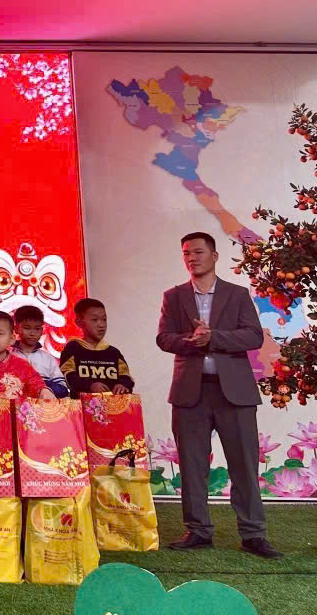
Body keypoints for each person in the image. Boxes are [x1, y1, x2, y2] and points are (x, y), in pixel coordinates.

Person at [158, 232, 281, 559]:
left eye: (198, 252)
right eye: (186, 253)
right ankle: (198, 530)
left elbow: (253, 336)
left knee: (244, 465)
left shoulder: (237, 294)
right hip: (190, 392)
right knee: (192, 465)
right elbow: (164, 338)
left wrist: (214, 338)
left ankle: (253, 534)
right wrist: (190, 341)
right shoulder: (174, 296)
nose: (191, 258)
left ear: (214, 256)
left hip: (235, 393)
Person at [0, 311, 54, 400]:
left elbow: (37, 384)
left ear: (12, 339)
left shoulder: (22, 365)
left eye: (0, 333)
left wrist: (44, 391)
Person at [60, 298, 134, 396]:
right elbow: (67, 376)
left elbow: (126, 377)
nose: (101, 325)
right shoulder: (73, 348)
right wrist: (90, 385)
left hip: (113, 404)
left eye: (104, 319)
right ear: (79, 323)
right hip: (81, 404)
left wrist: (122, 385)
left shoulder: (113, 352)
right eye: (94, 320)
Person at [15, 304, 69, 397]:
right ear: (16, 329)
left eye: (37, 329)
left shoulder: (48, 358)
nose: (32, 333)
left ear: (42, 331)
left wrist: (41, 386)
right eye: (27, 328)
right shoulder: (7, 354)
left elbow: (63, 388)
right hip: (15, 403)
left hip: (43, 404)